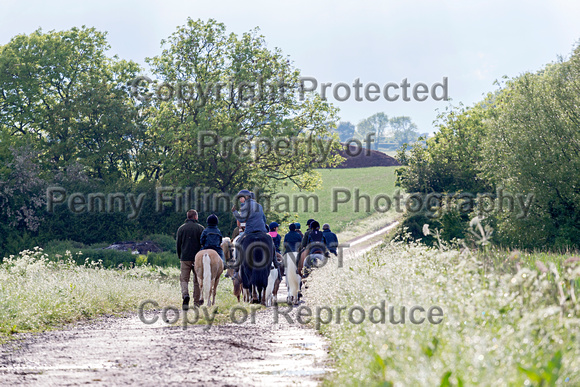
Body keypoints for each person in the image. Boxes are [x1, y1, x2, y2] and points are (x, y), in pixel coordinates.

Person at [176, 209, 204, 309]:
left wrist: (180, 256)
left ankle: (185, 295)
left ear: (188, 217)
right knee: (197, 280)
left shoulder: (181, 229)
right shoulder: (200, 228)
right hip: (197, 259)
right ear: (195, 217)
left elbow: (178, 244)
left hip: (185, 257)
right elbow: (203, 244)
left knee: (184, 279)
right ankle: (196, 303)